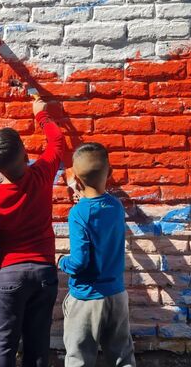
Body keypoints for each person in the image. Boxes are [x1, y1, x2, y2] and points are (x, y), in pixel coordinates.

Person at [0, 93, 65, 367]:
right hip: (45, 275)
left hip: (8, 279)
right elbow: (57, 143)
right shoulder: (42, 175)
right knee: (37, 349)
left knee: (3, 347)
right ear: (25, 154)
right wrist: (42, 114)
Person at [58, 142, 135, 367]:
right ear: (109, 173)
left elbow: (80, 262)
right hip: (117, 295)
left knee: (79, 358)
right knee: (122, 357)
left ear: (77, 181)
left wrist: (62, 262)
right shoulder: (116, 206)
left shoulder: (78, 213)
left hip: (86, 298)